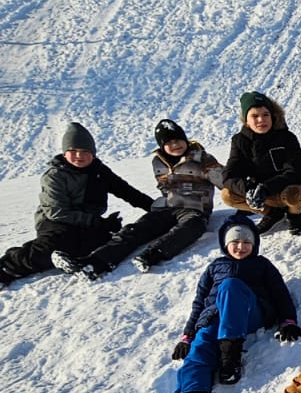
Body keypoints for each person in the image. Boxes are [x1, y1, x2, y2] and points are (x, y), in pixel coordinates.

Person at [144, 215, 301, 393]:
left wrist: (288, 321)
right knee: (201, 344)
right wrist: (188, 336)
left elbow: (280, 294)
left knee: (230, 286)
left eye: (246, 242)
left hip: (249, 313)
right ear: (225, 244)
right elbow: (199, 302)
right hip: (215, 316)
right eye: (235, 242)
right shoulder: (214, 267)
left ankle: (230, 356)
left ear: (254, 245)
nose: (241, 247)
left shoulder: (262, 265)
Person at [0, 122, 154, 288]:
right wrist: (96, 222)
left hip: (85, 222)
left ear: (93, 153)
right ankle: (7, 267)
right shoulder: (55, 175)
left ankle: (68, 258)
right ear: (65, 153)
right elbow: (56, 212)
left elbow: (126, 191)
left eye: (84, 151)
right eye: (73, 151)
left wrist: (154, 207)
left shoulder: (99, 171)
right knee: (53, 246)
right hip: (56, 222)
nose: (79, 156)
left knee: (103, 242)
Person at [52, 117, 223, 278]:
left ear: (185, 140)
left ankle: (153, 254)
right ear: (162, 146)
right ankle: (94, 263)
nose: (175, 145)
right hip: (168, 207)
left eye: (178, 140)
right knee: (135, 230)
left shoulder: (202, 159)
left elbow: (225, 179)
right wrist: (151, 206)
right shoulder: (159, 162)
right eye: (169, 142)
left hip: (195, 210)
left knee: (190, 228)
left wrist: (243, 195)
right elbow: (162, 188)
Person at [221, 91, 301, 235]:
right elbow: (229, 174)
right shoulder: (239, 141)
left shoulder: (287, 137)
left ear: (272, 116)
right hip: (261, 195)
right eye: (255, 116)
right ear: (246, 121)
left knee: (295, 193)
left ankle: (294, 213)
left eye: (265, 115)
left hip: (284, 190)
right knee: (228, 194)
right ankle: (272, 213)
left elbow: (295, 171)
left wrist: (267, 188)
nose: (261, 120)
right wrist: (247, 189)